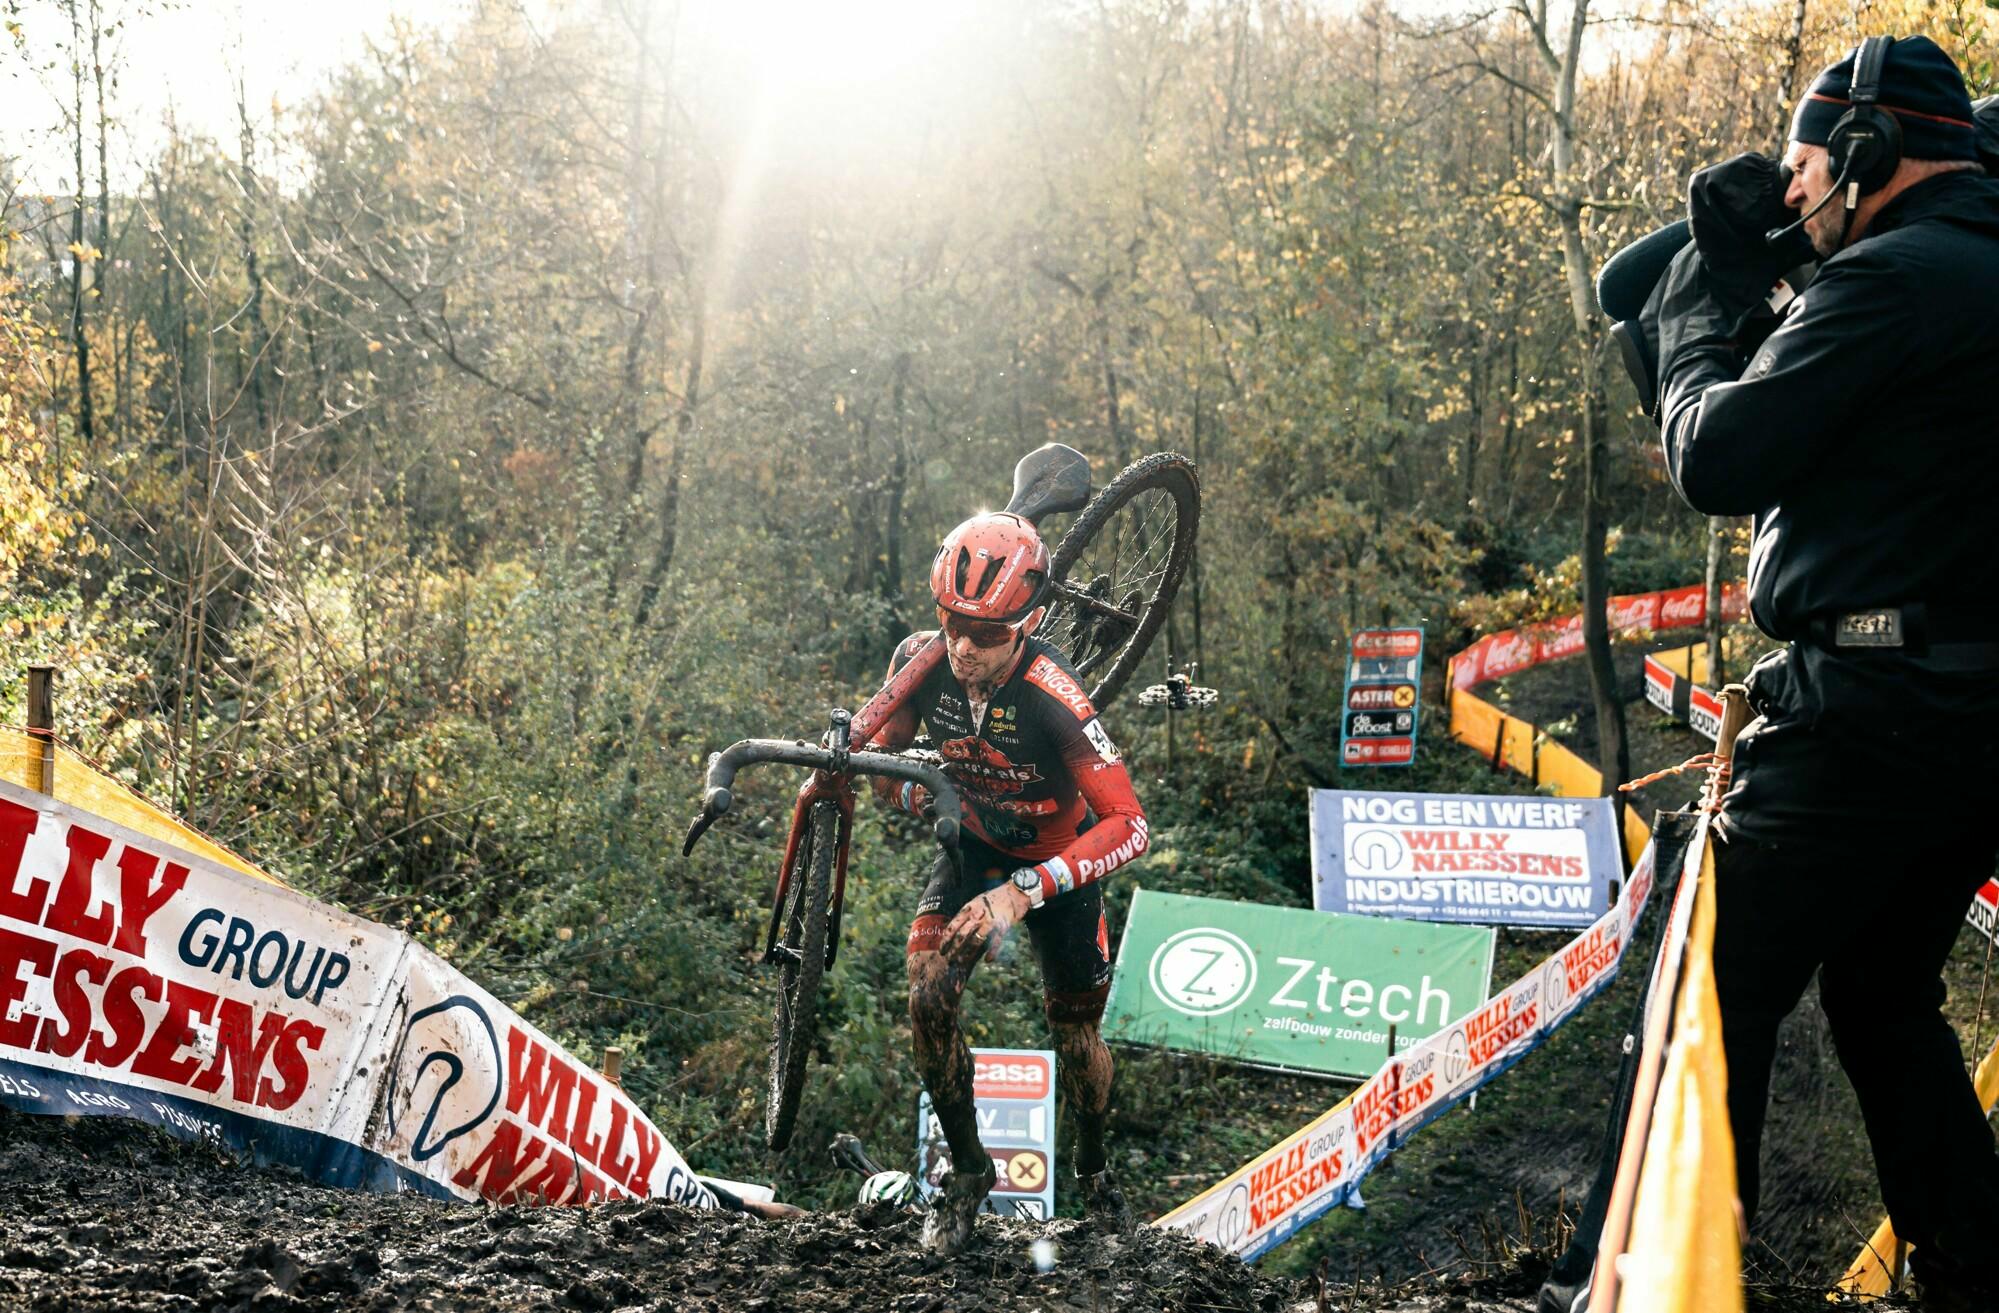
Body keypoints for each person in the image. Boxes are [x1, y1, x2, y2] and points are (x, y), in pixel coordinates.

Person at [1647, 34, 1999, 1308]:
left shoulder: (1898, 280)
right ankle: (1972, 1260)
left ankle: (1646, 1283)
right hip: (1969, 718)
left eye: (1803, 169)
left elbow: (1721, 456)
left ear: (1863, 149)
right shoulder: (1968, 268)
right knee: (1882, 987)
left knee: (1706, 996)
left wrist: (1694, 311)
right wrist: (1775, 278)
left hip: (1866, 709)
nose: (1793, 197)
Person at [864, 510, 1150, 1255]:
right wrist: (916, 794)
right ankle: (966, 1176)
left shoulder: (1054, 692)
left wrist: (1024, 891)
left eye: (986, 633)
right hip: (974, 848)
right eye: (952, 622)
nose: (963, 646)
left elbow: (1129, 823)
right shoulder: (919, 663)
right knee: (926, 992)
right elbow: (881, 771)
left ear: (1026, 623)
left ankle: (1094, 1167)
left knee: (1075, 1035)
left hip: (1055, 869)